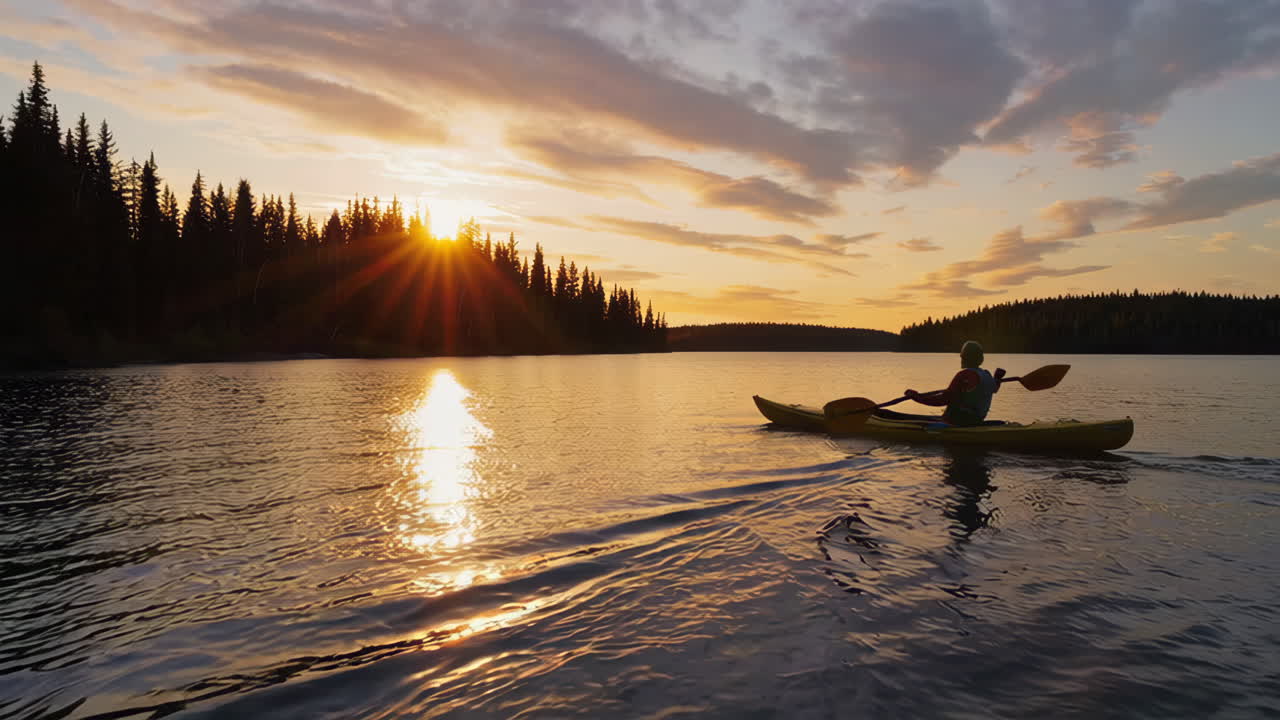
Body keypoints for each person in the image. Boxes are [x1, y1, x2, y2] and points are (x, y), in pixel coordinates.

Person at [902, 341, 1006, 426]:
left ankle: (946, 423)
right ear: (981, 359)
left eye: (962, 356)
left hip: (958, 421)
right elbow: (995, 388)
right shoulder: (987, 375)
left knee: (953, 406)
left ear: (964, 357)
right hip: (977, 419)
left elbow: (943, 399)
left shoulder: (964, 375)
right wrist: (997, 377)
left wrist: (916, 397)